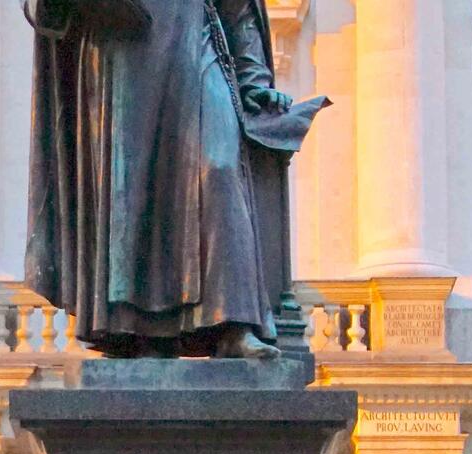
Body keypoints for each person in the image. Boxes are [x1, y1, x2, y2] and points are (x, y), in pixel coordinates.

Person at [22, 0, 325, 359]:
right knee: (133, 184)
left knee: (220, 165)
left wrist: (252, 78)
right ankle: (141, 331)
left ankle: (233, 322)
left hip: (196, 39)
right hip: (123, 43)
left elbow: (239, 8)